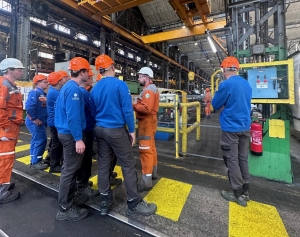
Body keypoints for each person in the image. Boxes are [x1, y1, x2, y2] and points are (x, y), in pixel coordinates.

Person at [90, 54, 157, 216]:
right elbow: (127, 110)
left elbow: (92, 111)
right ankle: (134, 202)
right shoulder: (120, 85)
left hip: (99, 129)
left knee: (104, 163)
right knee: (128, 164)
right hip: (116, 131)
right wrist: (132, 131)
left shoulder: (95, 87)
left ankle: (105, 200)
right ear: (112, 67)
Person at [211, 56, 252, 207]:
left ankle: (236, 192)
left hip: (230, 129)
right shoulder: (247, 84)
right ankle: (246, 190)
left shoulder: (226, 85)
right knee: (242, 158)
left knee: (232, 159)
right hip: (245, 127)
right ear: (237, 69)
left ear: (224, 69)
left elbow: (215, 104)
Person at [55, 57, 91, 221]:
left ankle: (68, 201)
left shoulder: (67, 87)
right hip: (71, 135)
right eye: (87, 72)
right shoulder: (74, 90)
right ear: (82, 72)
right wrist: (78, 138)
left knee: (69, 169)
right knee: (69, 170)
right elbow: (73, 116)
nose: (89, 74)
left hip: (65, 133)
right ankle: (65, 208)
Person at [0, 58, 24, 203]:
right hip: (6, 129)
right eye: (19, 69)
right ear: (9, 70)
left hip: (9, 128)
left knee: (5, 158)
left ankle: (4, 184)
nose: (22, 71)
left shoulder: (9, 84)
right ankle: (2, 193)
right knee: (5, 159)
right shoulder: (4, 85)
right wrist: (6, 127)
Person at [133, 67, 159, 192]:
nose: (138, 78)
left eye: (140, 76)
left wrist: (133, 105)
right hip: (150, 121)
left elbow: (146, 109)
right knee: (151, 148)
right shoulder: (151, 89)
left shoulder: (148, 91)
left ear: (146, 77)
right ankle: (153, 173)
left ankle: (146, 182)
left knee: (145, 150)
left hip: (146, 122)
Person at [76, 70, 99, 198]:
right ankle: (82, 186)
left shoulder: (79, 90)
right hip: (87, 129)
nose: (92, 79)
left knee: (83, 159)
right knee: (85, 159)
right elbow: (92, 110)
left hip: (84, 129)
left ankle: (82, 183)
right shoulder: (84, 92)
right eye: (91, 77)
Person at [44, 70, 69, 165]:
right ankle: (54, 164)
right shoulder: (55, 93)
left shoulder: (55, 91)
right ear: (59, 81)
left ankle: (50, 158)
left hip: (54, 121)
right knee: (56, 143)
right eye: (64, 78)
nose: (65, 80)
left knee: (55, 142)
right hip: (55, 122)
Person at [25, 74, 49, 170]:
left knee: (36, 140)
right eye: (44, 82)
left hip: (39, 121)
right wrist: (34, 119)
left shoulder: (42, 93)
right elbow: (29, 107)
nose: (47, 83)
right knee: (41, 140)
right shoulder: (35, 92)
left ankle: (34, 160)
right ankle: (36, 162)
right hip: (35, 122)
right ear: (38, 83)